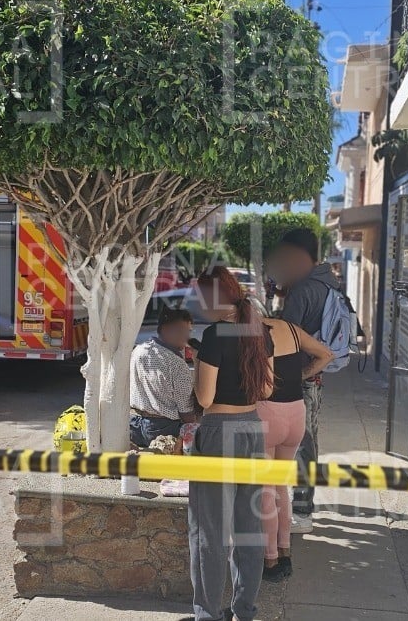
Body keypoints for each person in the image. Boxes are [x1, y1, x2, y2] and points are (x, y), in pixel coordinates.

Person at [182, 266, 272, 621]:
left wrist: (196, 370)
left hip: (219, 430)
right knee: (250, 528)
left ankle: (207, 614)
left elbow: (204, 398)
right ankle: (244, 611)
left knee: (209, 532)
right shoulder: (259, 332)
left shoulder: (215, 335)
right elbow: (265, 390)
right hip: (252, 429)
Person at [267, 228, 340, 533]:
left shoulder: (303, 290)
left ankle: (302, 511)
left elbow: (286, 336)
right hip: (315, 378)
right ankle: (304, 505)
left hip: (302, 379)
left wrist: (292, 377)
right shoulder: (327, 280)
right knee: (309, 442)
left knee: (300, 445)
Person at [255, 316, 335, 582]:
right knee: (280, 487)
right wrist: (299, 375)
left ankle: (270, 559)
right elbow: (326, 355)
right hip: (296, 412)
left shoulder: (249, 332)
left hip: (267, 414)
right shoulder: (289, 327)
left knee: (265, 489)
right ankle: (285, 550)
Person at [129, 307, 197, 448]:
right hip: (163, 429)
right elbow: (187, 413)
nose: (187, 338)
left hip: (133, 424)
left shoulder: (139, 350)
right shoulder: (176, 364)